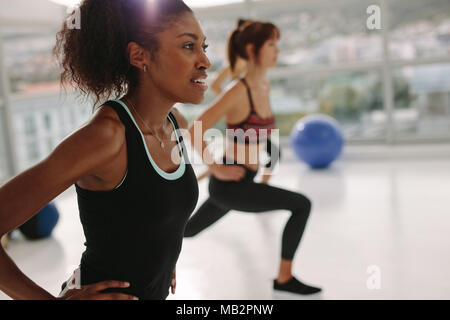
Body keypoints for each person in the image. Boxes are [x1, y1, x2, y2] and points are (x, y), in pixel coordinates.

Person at [0, 0, 210, 300]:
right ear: (139, 56)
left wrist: (161, 259)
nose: (205, 61)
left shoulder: (174, 123)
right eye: (189, 46)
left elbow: (148, 217)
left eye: (204, 46)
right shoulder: (107, 136)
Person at [184, 20, 321, 296]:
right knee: (301, 205)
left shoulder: (263, 86)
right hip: (231, 185)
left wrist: (266, 166)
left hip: (242, 180)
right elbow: (195, 127)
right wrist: (216, 168)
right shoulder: (239, 90)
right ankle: (284, 279)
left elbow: (260, 137)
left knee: (185, 231)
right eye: (271, 44)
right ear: (252, 49)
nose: (277, 51)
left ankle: (139, 238)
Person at [201, 19, 281, 185]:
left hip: (252, 126)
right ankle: (203, 177)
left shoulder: (262, 79)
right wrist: (229, 105)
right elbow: (215, 84)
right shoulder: (237, 66)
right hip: (242, 118)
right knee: (237, 159)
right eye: (270, 44)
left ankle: (262, 187)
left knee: (274, 152)